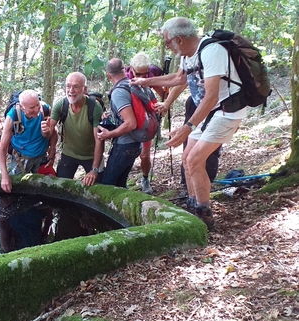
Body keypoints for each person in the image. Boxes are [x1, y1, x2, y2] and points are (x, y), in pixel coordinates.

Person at [131, 17, 247, 229]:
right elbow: (179, 79)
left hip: (227, 111)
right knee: (187, 159)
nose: (167, 46)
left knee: (194, 159)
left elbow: (211, 96)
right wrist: (145, 81)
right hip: (212, 111)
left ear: (179, 39)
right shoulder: (188, 55)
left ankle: (204, 216)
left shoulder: (212, 52)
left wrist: (188, 127)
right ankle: (194, 206)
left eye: (167, 42)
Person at [49, 72, 104, 186]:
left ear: (84, 89)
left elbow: (99, 140)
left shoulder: (94, 107)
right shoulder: (61, 104)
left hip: (91, 155)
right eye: (68, 86)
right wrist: (45, 132)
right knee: (60, 187)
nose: (71, 90)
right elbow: (49, 130)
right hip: (69, 153)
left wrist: (94, 170)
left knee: (97, 188)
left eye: (76, 87)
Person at [0, 90, 57, 193]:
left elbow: (54, 133)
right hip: (21, 159)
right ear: (21, 107)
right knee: (15, 192)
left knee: (45, 191)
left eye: (37, 105)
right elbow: (2, 149)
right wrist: (4, 175)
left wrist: (52, 152)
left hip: (42, 157)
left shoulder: (46, 110)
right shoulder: (13, 116)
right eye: (32, 108)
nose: (37, 109)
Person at [97, 58, 141, 188]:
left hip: (124, 145)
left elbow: (130, 123)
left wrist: (109, 134)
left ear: (108, 75)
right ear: (125, 68)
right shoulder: (134, 84)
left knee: (108, 184)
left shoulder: (118, 92)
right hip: (136, 143)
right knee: (121, 183)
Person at [127, 53, 165, 194]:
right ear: (131, 69)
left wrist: (162, 104)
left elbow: (161, 95)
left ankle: (145, 178)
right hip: (130, 123)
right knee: (127, 152)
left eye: (145, 74)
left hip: (147, 123)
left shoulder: (149, 79)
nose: (141, 78)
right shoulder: (125, 80)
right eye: (138, 74)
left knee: (145, 155)